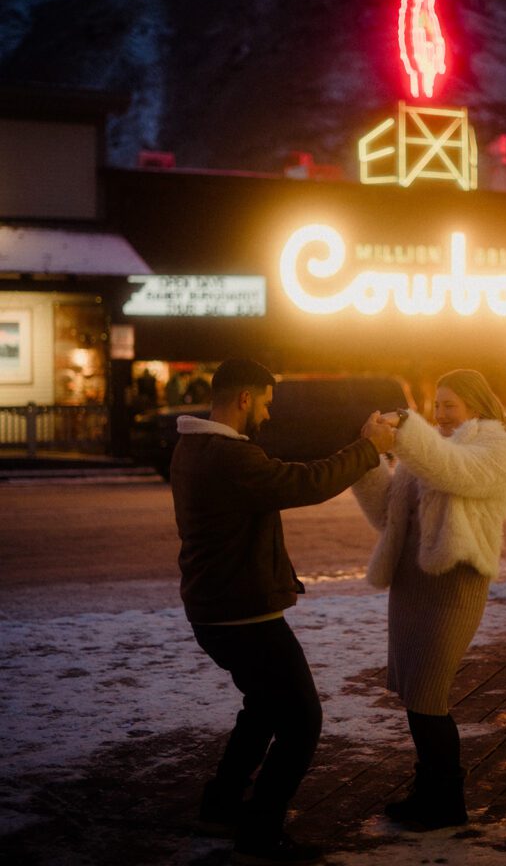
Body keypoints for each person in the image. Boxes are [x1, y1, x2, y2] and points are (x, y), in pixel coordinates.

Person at [170, 357, 394, 866]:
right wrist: (369, 449)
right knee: (302, 720)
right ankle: (260, 830)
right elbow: (303, 483)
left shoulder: (193, 447)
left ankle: (221, 805)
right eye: (266, 403)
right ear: (245, 398)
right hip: (241, 614)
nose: (269, 415)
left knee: (263, 707)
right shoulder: (227, 456)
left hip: (218, 608)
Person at [352, 368, 506, 830]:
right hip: (412, 586)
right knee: (415, 695)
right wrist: (366, 455)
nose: (441, 415)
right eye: (436, 406)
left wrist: (408, 431)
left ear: (476, 405)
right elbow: (386, 514)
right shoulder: (424, 453)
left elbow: (455, 472)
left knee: (430, 694)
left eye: (450, 406)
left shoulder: (497, 447)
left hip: (454, 585)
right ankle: (427, 790)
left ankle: (447, 800)